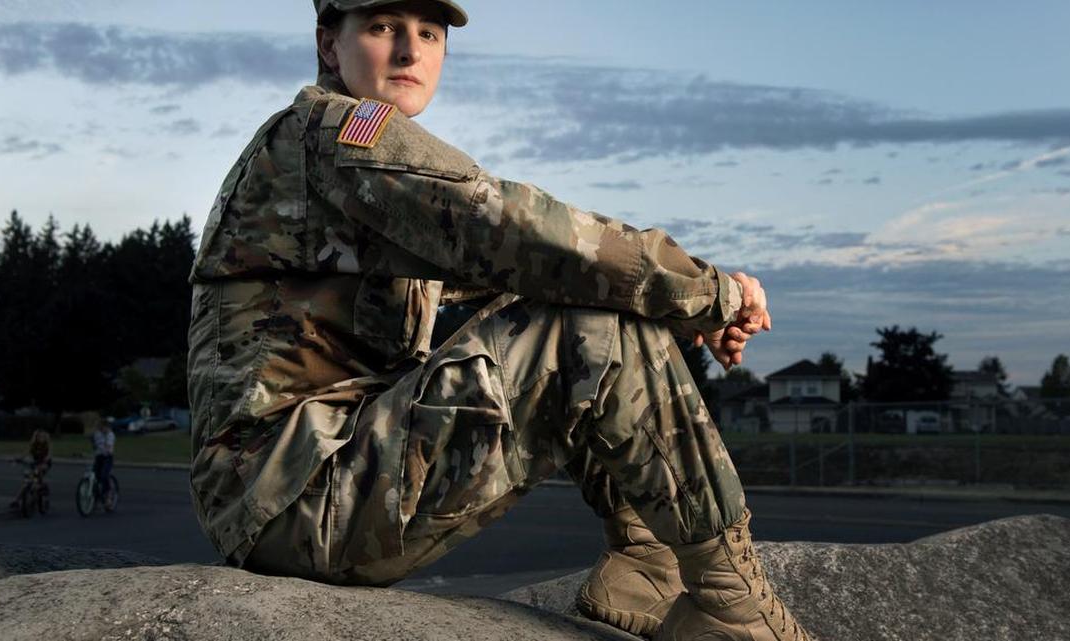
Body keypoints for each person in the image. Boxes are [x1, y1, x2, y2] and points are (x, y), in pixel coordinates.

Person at [186, 2, 816, 640]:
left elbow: (533, 274)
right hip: (295, 500)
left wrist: (682, 310)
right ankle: (732, 604)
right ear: (329, 44)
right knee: (587, 331)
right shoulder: (337, 133)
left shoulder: (333, 161)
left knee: (589, 303)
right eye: (383, 28)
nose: (410, 51)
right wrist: (711, 292)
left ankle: (646, 563)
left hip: (304, 493)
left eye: (429, 34)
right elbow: (510, 227)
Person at [11, 429, 52, 509]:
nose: (40, 438)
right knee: (27, 483)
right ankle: (16, 501)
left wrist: (46, 459)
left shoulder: (47, 445)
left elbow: (49, 454)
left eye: (42, 436)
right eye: (39, 436)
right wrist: (19, 459)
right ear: (36, 437)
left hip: (44, 463)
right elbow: (26, 453)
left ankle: (42, 489)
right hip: (35, 463)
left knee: (38, 474)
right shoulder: (33, 445)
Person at [92, 419, 116, 509]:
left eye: (104, 427)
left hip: (107, 457)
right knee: (95, 476)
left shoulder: (110, 435)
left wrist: (108, 449)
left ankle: (108, 496)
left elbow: (109, 446)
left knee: (104, 476)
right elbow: (95, 445)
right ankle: (96, 496)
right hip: (99, 457)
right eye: (100, 427)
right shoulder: (97, 434)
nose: (102, 429)